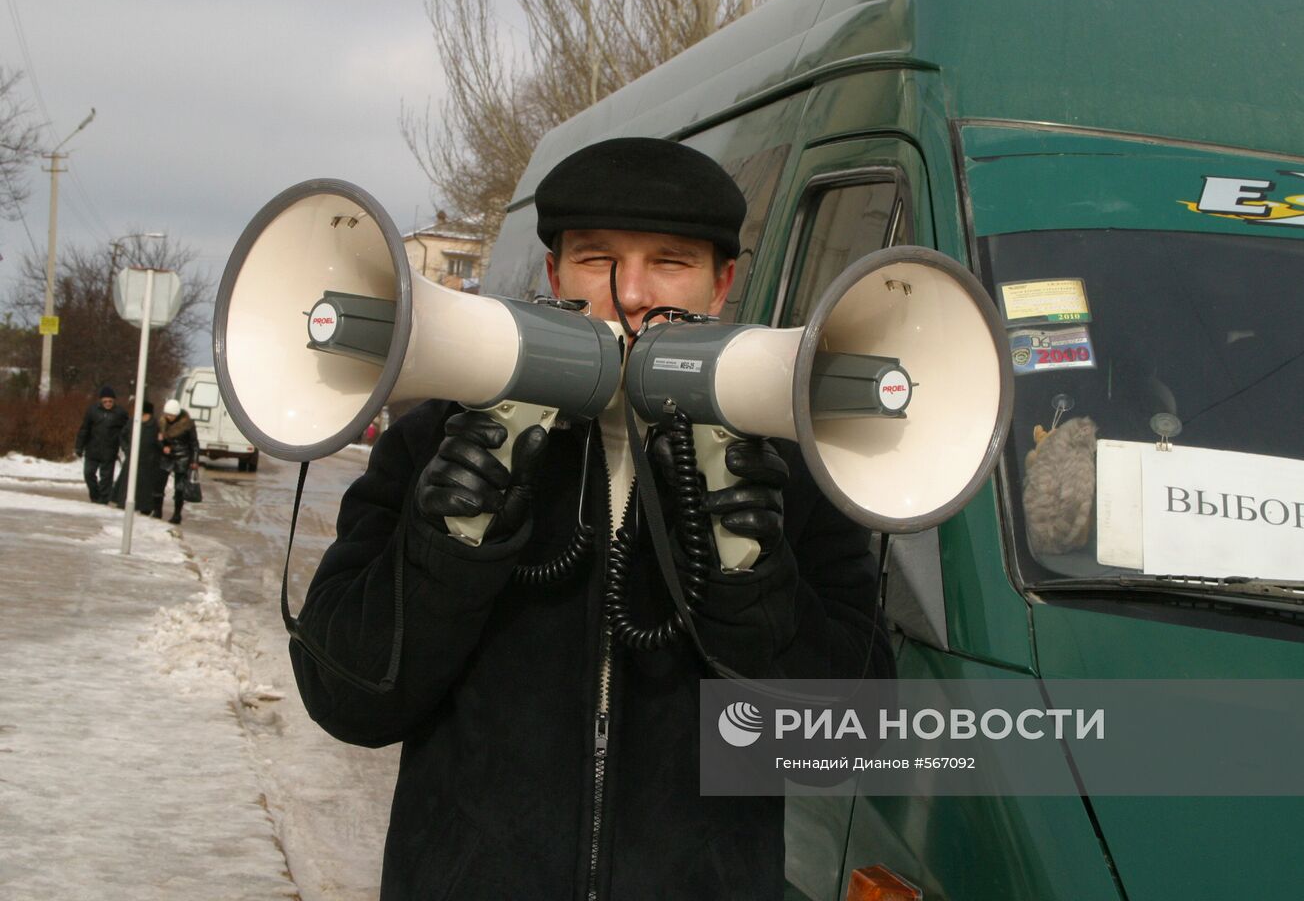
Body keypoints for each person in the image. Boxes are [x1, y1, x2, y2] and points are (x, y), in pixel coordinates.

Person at [290, 138, 892, 900]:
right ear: (554, 274)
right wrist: (448, 542)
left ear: (722, 283)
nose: (632, 293)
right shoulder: (435, 443)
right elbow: (347, 700)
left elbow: (848, 749)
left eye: (669, 261)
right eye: (596, 257)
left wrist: (753, 575)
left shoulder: (787, 470)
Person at [74, 385, 129, 505]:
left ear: (114, 401)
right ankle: (95, 496)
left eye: (110, 401)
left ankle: (103, 501)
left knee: (106, 479)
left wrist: (125, 447)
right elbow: (85, 429)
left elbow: (127, 431)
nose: (108, 403)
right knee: (88, 473)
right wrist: (79, 446)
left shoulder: (120, 413)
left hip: (109, 450)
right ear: (100, 401)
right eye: (105, 401)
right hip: (92, 449)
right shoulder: (92, 410)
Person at [154, 398, 200, 524]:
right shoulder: (162, 422)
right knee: (158, 484)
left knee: (179, 488)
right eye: (167, 414)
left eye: (171, 415)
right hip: (166, 457)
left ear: (177, 414)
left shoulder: (188, 425)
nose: (169, 417)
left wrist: (194, 461)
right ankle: (157, 511)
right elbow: (158, 439)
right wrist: (163, 446)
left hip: (182, 457)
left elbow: (194, 444)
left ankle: (177, 515)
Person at [114, 401, 162, 515]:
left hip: (148, 460)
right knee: (127, 482)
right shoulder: (132, 421)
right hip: (132, 458)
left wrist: (160, 447)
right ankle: (122, 503)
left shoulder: (155, 425)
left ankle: (145, 507)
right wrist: (127, 448)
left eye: (145, 414)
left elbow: (160, 443)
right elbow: (123, 435)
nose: (142, 416)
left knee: (145, 486)